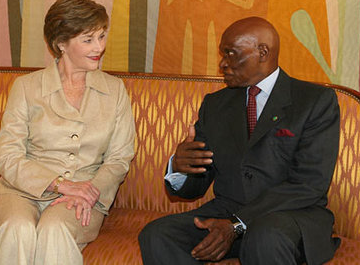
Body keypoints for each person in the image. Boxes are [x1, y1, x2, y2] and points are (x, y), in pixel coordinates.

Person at [138, 16, 340, 265]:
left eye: (231, 54)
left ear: (262, 52)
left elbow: (309, 185)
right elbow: (197, 185)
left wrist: (238, 224)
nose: (223, 63)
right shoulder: (216, 105)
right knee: (158, 235)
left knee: (264, 235)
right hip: (226, 212)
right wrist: (179, 168)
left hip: (290, 217)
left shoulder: (314, 101)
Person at [0, 0, 135, 265]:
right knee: (18, 229)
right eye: (87, 40)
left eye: (101, 36)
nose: (98, 47)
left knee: (54, 230)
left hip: (84, 195)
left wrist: (90, 191)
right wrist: (60, 185)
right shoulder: (27, 87)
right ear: (61, 44)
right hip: (18, 191)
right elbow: (8, 155)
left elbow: (119, 158)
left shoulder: (115, 91)